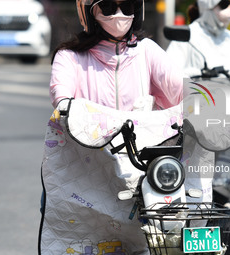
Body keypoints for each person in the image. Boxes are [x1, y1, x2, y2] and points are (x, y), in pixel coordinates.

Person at [39, 0, 184, 254]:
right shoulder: (69, 57)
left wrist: (213, 100)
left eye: (126, 6)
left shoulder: (147, 51)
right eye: (107, 7)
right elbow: (61, 101)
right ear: (89, 12)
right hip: (85, 174)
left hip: (140, 174)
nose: (119, 15)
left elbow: (181, 91)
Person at [166, 0, 230, 78]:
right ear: (207, 5)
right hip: (197, 93)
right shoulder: (187, 36)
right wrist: (198, 73)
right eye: (224, 4)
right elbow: (169, 75)